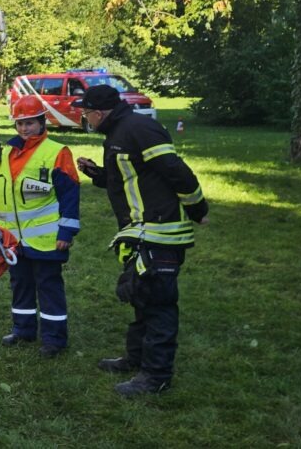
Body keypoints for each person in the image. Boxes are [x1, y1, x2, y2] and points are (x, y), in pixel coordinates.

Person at [74, 85, 209, 397]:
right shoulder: (120, 132)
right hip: (140, 232)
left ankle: (156, 376)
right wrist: (98, 174)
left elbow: (176, 171)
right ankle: (137, 359)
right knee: (141, 297)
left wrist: (198, 209)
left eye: (86, 113)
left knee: (159, 304)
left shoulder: (139, 129)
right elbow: (130, 175)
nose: (84, 118)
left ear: (99, 112)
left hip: (160, 232)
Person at [0, 95, 80, 358]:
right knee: (20, 284)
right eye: (20, 124)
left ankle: (54, 339)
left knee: (48, 287)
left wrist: (67, 232)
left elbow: (70, 194)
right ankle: (23, 330)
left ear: (42, 122)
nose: (25, 129)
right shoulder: (8, 151)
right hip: (13, 239)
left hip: (47, 238)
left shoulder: (57, 152)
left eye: (30, 123)